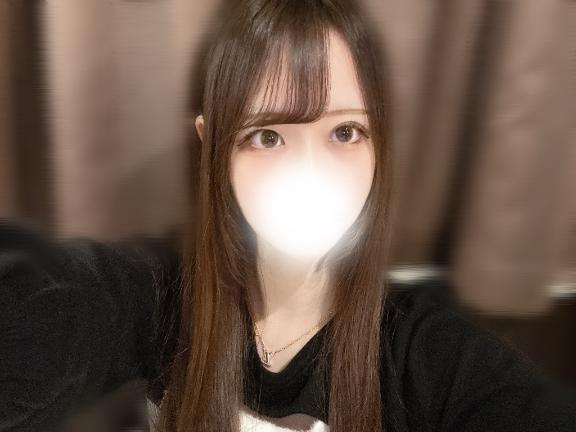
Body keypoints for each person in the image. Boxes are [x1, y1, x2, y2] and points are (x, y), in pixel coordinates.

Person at [1, 0, 575, 431]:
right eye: (268, 136)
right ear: (213, 146)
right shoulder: (152, 296)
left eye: (345, 132)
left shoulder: (428, 353)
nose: (310, 174)